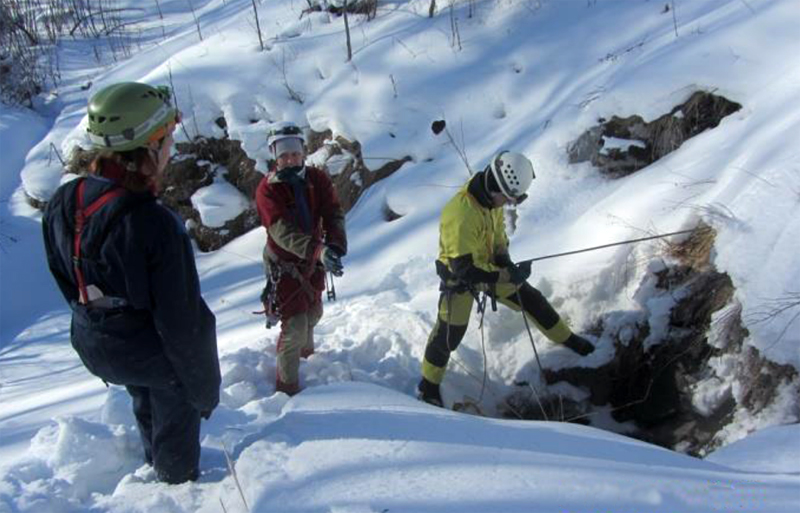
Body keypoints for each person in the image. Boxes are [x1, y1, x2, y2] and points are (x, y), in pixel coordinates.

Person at [42, 82, 221, 484]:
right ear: (148, 147)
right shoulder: (154, 224)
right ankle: (177, 488)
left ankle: (153, 459)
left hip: (94, 338)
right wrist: (205, 391)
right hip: (143, 346)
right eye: (169, 138)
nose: (172, 147)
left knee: (145, 390)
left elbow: (63, 274)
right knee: (174, 391)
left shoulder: (65, 200)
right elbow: (184, 323)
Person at [418, 151, 595, 407]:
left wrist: (507, 263)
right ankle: (428, 385)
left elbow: (498, 239)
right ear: (495, 188)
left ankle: (569, 340)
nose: (509, 204)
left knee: (532, 300)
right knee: (449, 334)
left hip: (489, 269)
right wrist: (504, 274)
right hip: (460, 280)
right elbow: (464, 269)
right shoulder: (460, 214)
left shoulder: (492, 203)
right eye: (509, 198)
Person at [255, 122, 347, 396]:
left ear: (303, 152)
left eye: (294, 153)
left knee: (314, 312)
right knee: (294, 327)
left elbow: (333, 211)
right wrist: (318, 251)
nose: (290, 159)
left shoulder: (316, 179)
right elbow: (281, 231)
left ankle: (306, 356)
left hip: (313, 260)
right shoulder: (268, 190)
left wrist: (336, 245)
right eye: (283, 154)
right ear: (275, 156)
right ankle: (287, 389)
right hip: (284, 265)